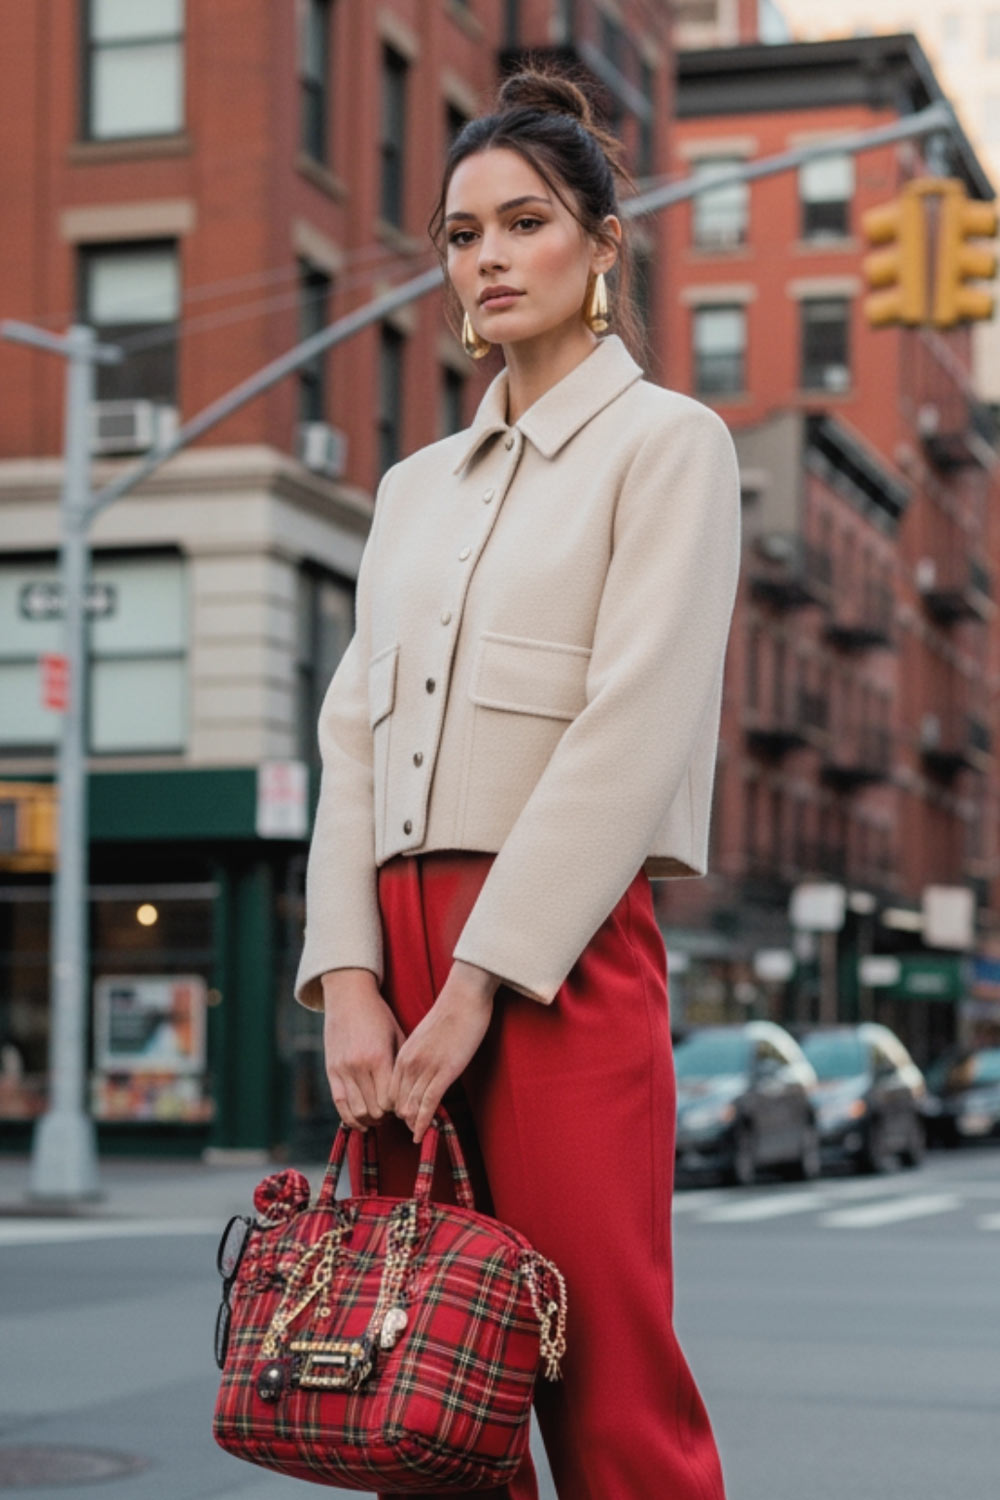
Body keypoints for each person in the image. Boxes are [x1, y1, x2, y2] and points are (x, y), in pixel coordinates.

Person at [295, 66, 740, 1500]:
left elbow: (634, 727)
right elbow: (351, 739)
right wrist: (348, 981)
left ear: (604, 242)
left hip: (557, 955)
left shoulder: (670, 446)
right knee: (424, 1396)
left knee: (605, 1388)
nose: (487, 258)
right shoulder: (409, 489)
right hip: (396, 953)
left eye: (525, 222)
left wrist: (480, 983)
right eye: (461, 233)